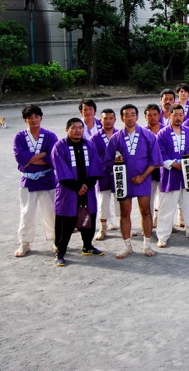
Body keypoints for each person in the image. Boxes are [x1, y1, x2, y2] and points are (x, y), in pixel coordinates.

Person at [105, 104, 163, 258]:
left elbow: (155, 160)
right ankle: (127, 245)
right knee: (125, 213)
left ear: (137, 117)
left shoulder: (148, 136)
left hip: (143, 178)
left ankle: (147, 244)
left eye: (132, 114)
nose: (129, 117)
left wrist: (143, 176)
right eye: (126, 115)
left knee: (146, 211)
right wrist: (116, 162)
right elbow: (108, 160)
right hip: (123, 180)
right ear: (122, 118)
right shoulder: (116, 138)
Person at [50, 117, 104, 267]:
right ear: (67, 130)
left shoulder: (89, 145)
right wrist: (77, 186)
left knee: (88, 218)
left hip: (87, 191)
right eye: (73, 128)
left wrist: (87, 184)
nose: (77, 130)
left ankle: (87, 246)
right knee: (65, 221)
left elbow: (95, 166)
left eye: (80, 127)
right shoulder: (59, 147)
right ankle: (60, 251)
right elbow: (60, 169)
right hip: (68, 191)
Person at [155, 104, 189, 248]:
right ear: (169, 115)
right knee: (167, 206)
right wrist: (175, 164)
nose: (178, 118)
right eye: (175, 115)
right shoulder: (162, 134)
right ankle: (163, 236)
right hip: (170, 175)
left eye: (180, 115)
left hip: (187, 174)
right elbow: (160, 153)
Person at [13, 105, 57, 258]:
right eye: (30, 117)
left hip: (47, 178)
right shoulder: (19, 137)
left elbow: (52, 157)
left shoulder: (50, 136)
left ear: (41, 118)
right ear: (25, 119)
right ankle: (24, 242)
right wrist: (41, 155)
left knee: (51, 211)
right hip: (28, 179)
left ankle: (56, 240)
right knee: (26, 212)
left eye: (36, 116)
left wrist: (30, 159)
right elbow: (20, 157)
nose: (34, 120)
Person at [93, 108, 119, 241]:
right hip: (103, 173)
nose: (108, 121)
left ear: (115, 119)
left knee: (121, 199)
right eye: (105, 119)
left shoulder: (120, 134)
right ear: (100, 120)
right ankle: (102, 228)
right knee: (103, 201)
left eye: (110, 118)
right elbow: (93, 157)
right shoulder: (95, 137)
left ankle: (126, 225)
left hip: (119, 172)